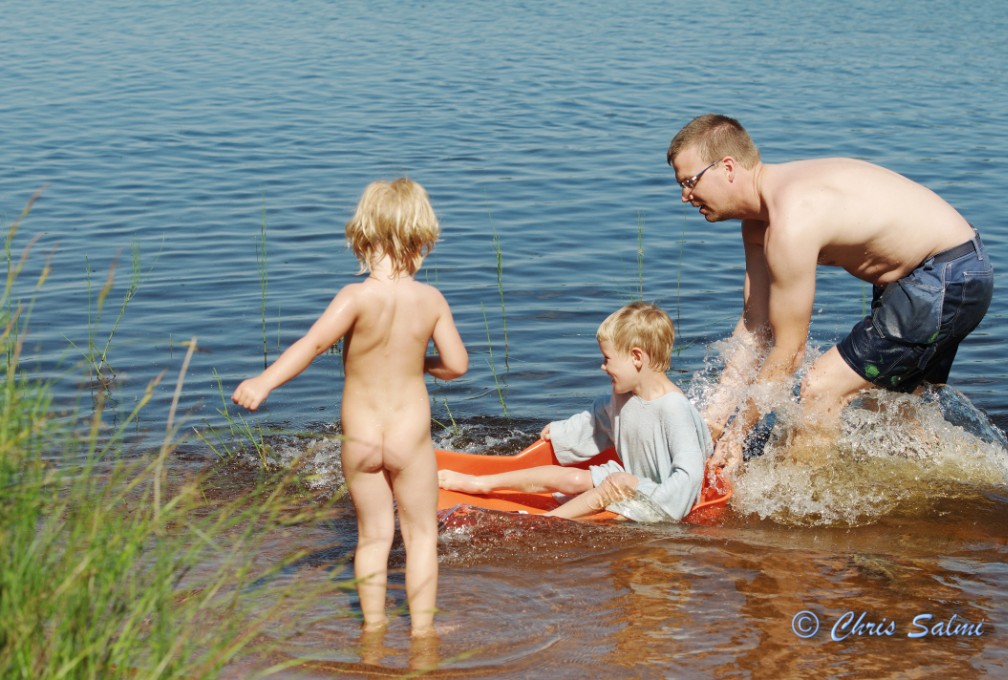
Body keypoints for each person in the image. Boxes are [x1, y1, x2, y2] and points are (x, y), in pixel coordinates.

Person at [666, 114, 993, 471]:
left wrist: (738, 435)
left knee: (821, 388)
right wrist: (712, 424)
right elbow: (755, 328)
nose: (685, 196)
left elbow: (789, 352)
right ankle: (960, 483)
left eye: (690, 181)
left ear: (727, 167)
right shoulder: (759, 226)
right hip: (928, 276)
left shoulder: (791, 218)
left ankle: (801, 505)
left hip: (947, 275)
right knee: (891, 410)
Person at [232, 178, 468, 637]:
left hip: (360, 439)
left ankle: (373, 629)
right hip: (409, 438)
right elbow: (458, 365)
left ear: (363, 236)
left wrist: (263, 382)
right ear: (422, 239)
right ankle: (422, 633)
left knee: (374, 537)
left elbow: (312, 343)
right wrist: (422, 363)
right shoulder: (430, 301)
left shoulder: (355, 297)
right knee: (420, 537)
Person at [439, 301, 713, 522]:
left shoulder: (674, 408)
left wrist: (648, 499)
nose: (603, 367)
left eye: (607, 359)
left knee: (612, 484)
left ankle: (548, 522)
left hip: (662, 498)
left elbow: (688, 477)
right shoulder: (624, 396)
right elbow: (596, 423)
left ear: (637, 358)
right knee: (572, 477)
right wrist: (560, 433)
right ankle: (481, 483)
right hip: (630, 483)